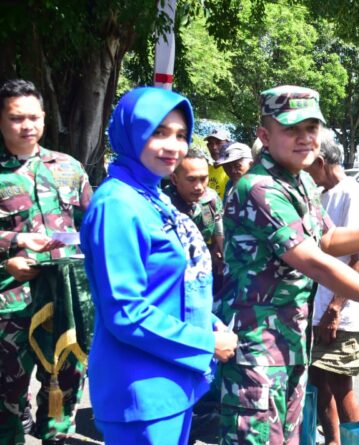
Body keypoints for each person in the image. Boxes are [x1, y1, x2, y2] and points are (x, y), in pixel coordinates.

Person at [217, 85, 359, 445]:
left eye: (311, 128)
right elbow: (315, 262)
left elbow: (328, 240)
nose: (305, 139)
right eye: (291, 129)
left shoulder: (299, 181)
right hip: (258, 350)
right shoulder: (260, 189)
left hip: (291, 343)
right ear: (265, 136)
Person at [80, 87, 238, 444]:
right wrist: (205, 343)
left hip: (173, 382)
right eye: (158, 132)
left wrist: (212, 324)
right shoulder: (117, 205)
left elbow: (175, 286)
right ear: (130, 132)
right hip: (140, 389)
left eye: (181, 135)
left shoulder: (153, 197)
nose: (173, 146)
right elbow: (125, 312)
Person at [0, 79, 91, 445]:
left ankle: (55, 438)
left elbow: (93, 224)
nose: (28, 126)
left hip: (65, 298)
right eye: (16, 118)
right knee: (8, 391)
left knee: (65, 383)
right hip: (11, 299)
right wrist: (14, 245)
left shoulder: (67, 167)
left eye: (34, 117)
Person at [304, 129, 359, 445]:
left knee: (339, 382)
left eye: (308, 165)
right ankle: (333, 440)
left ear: (320, 161)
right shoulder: (320, 196)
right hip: (321, 307)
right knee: (318, 381)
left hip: (344, 310)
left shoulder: (352, 193)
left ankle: (352, 441)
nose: (305, 172)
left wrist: (335, 307)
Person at [165, 148, 225, 284]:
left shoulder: (211, 199)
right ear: (174, 179)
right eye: (191, 180)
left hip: (205, 268)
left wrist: (223, 257)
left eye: (203, 179)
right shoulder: (163, 205)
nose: (199, 187)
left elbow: (220, 233)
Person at [204, 128, 231, 198]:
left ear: (228, 144)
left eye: (218, 143)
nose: (214, 147)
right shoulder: (206, 170)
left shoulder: (234, 169)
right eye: (210, 144)